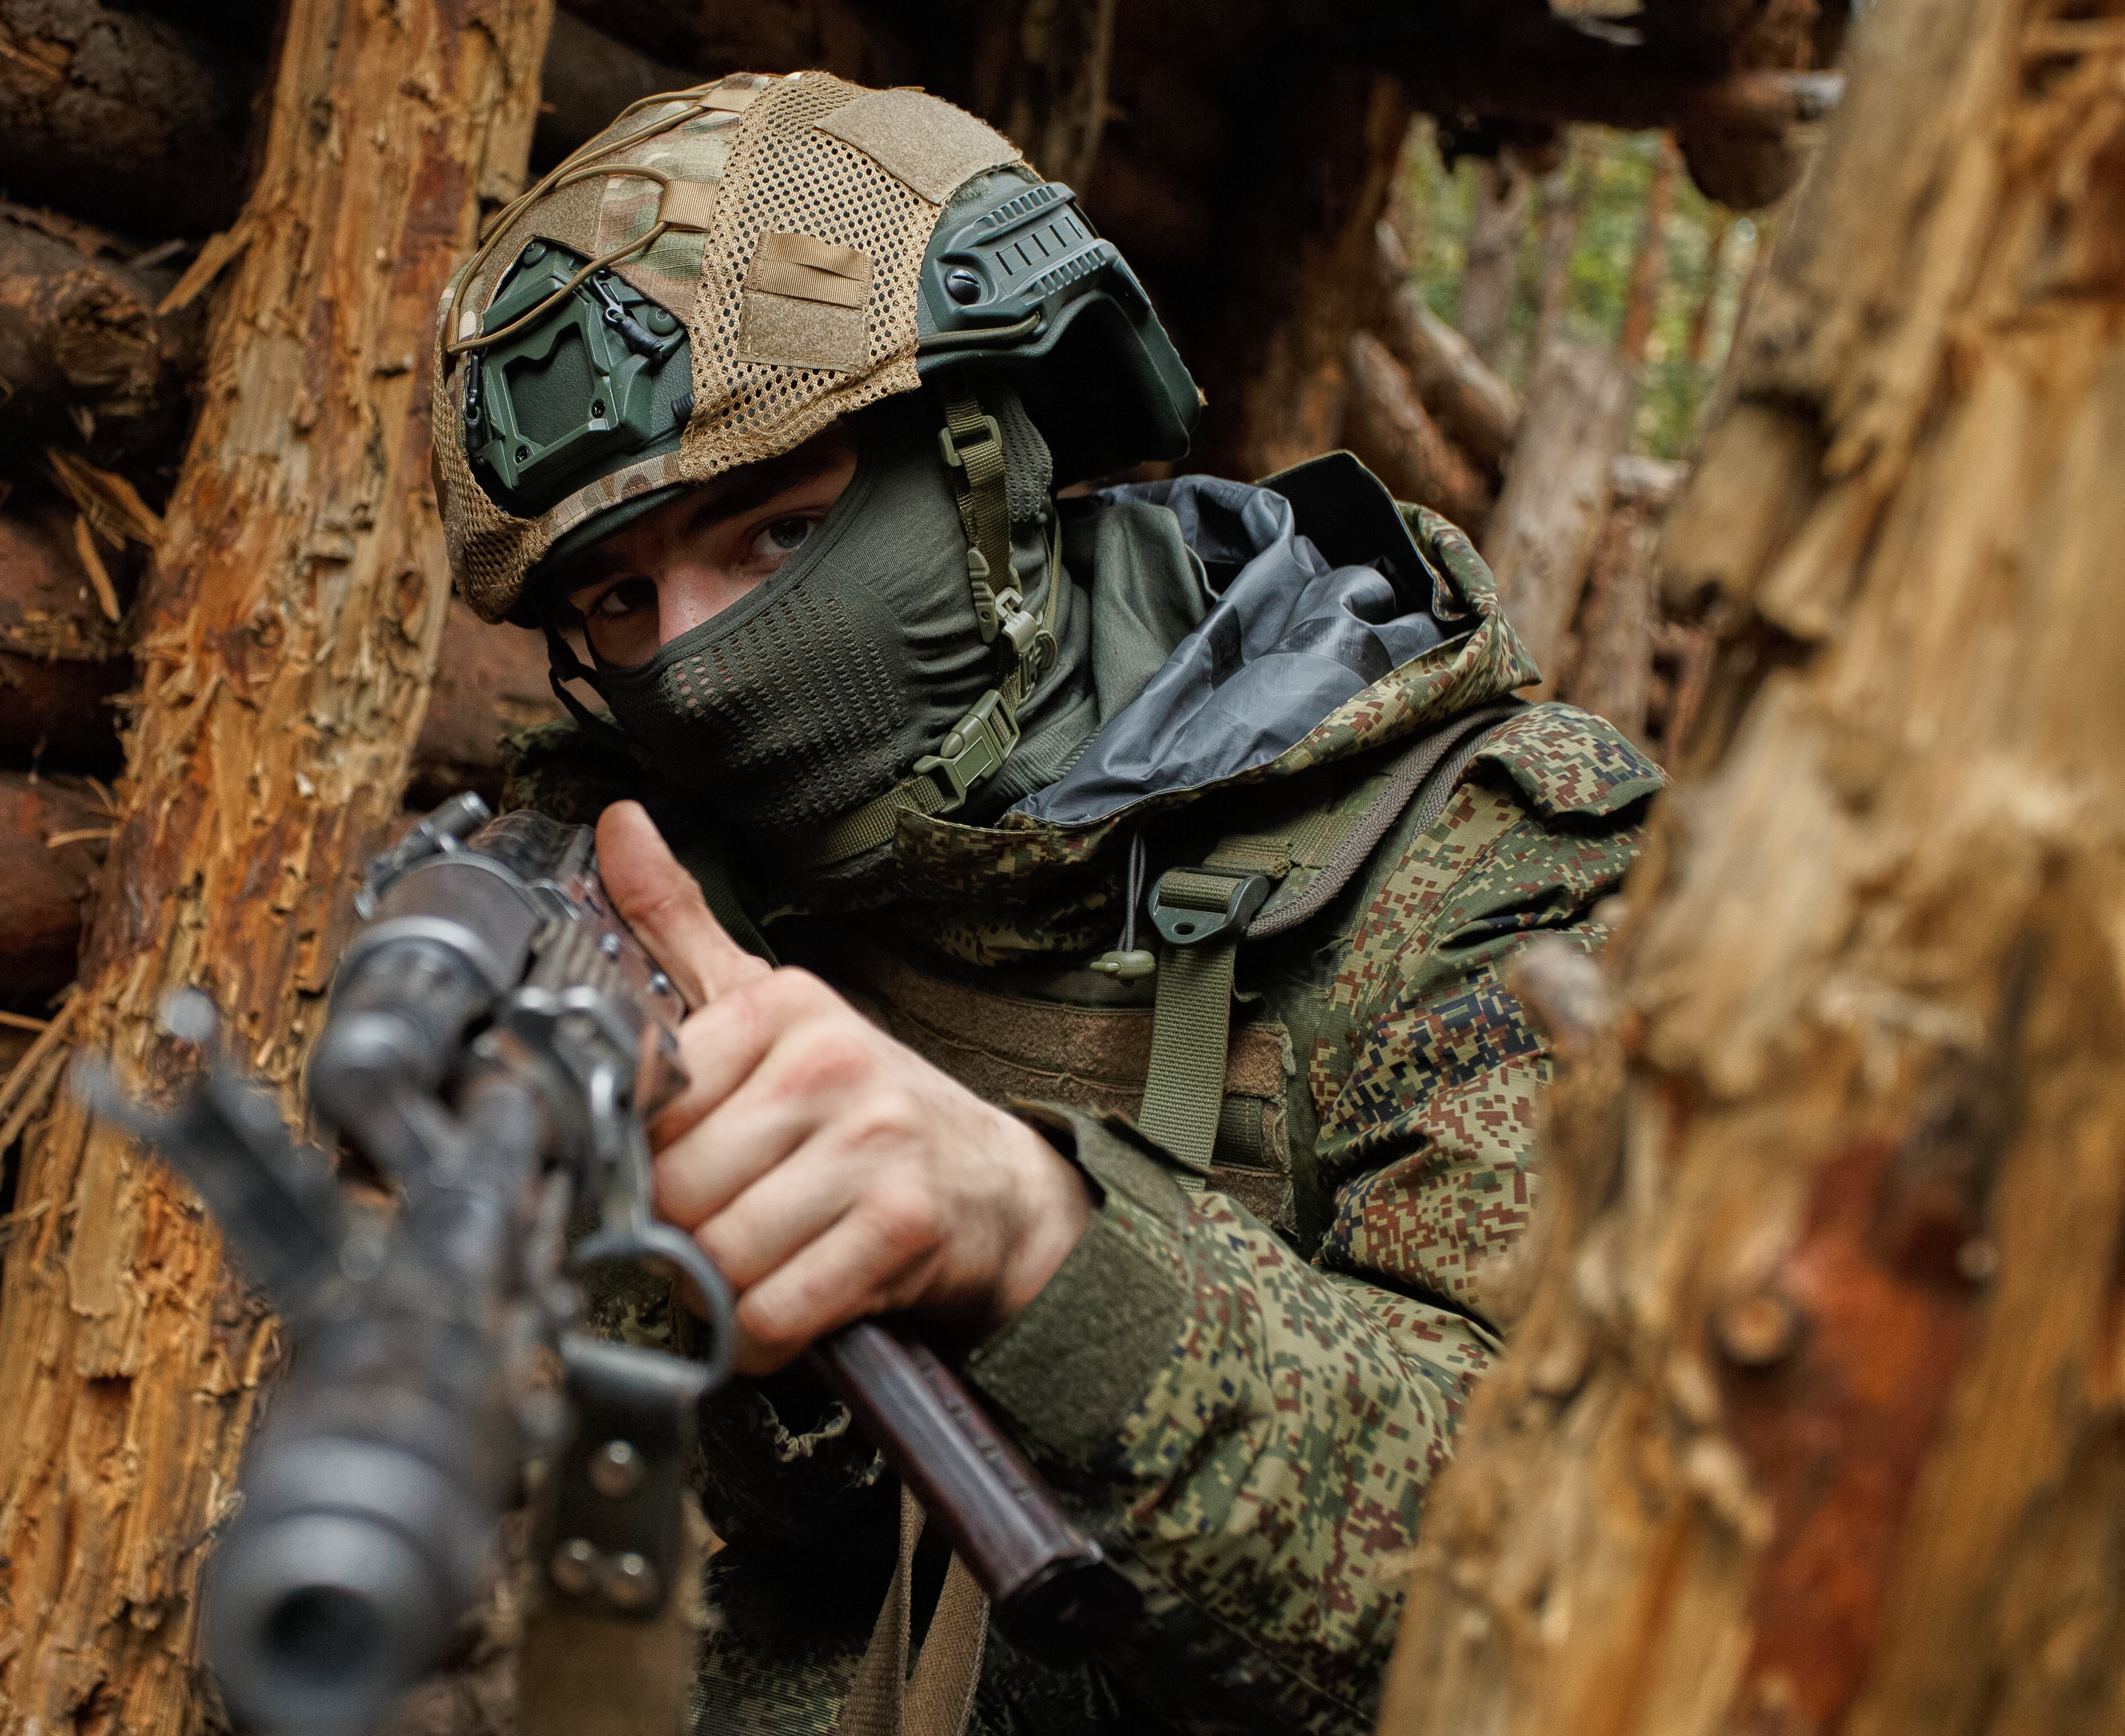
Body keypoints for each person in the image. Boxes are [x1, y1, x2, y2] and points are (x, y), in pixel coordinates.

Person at [428, 70, 1660, 1736]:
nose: (697, 665)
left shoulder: (1480, 858)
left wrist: (1036, 1244)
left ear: (995, 469)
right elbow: (810, 1524)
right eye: (620, 605)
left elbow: (1560, 1573)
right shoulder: (669, 873)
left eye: (777, 536)